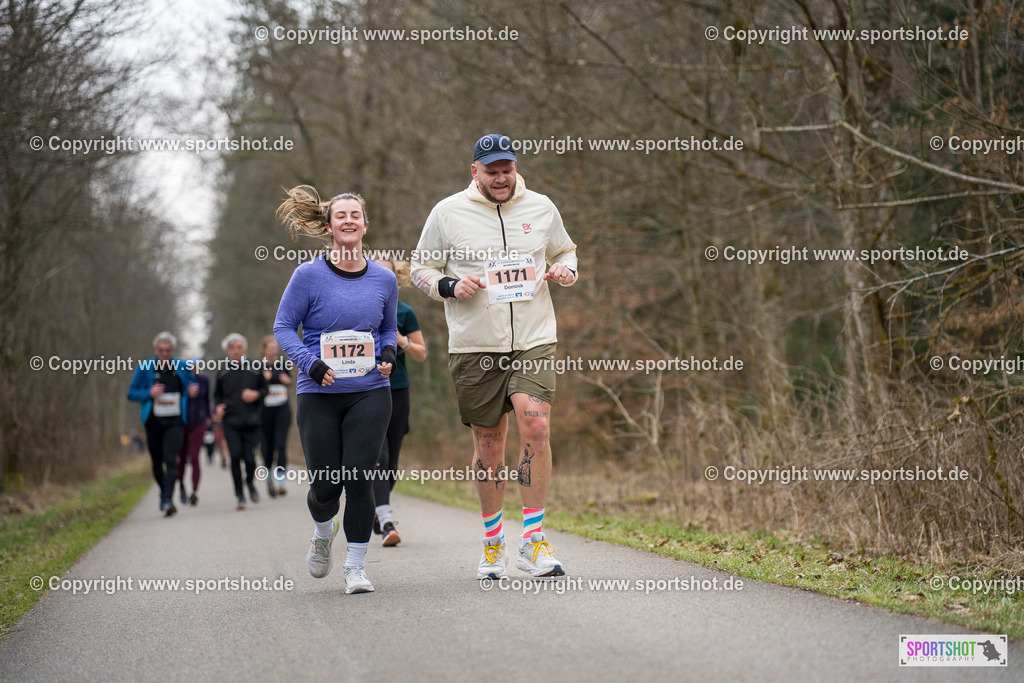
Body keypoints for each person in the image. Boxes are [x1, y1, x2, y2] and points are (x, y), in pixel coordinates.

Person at [411, 134, 578, 579]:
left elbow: (566, 250)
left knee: (536, 425)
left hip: (534, 337)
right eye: (492, 171)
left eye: (507, 169)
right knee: (489, 443)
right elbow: (420, 268)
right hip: (475, 344)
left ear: (515, 167)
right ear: (475, 172)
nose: (501, 178)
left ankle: (533, 540)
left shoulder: (542, 207)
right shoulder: (447, 212)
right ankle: (492, 543)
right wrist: (449, 286)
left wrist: (566, 270)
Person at [274, 187, 397, 594]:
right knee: (326, 485)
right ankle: (323, 531)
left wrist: (389, 355)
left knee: (359, 475)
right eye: (340, 215)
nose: (348, 220)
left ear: (365, 224)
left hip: (370, 390)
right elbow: (282, 329)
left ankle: (356, 567)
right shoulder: (306, 276)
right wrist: (311, 362)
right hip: (318, 393)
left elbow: (387, 329)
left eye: (355, 215)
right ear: (329, 226)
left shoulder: (384, 277)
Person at [372, 260, 427, 547]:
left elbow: (421, 354)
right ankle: (386, 520)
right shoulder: (358, 307)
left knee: (391, 463)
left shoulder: (404, 312)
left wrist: (402, 341)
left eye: (389, 274)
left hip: (398, 390)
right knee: (377, 457)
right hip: (367, 390)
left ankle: (375, 510)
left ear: (397, 278)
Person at [127, 332, 199, 516]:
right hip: (153, 422)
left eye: (168, 350)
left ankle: (167, 500)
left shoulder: (181, 366)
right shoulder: (145, 368)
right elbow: (131, 393)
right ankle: (164, 493)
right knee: (157, 463)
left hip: (175, 422)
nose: (165, 354)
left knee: (171, 459)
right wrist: (149, 393)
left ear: (173, 350)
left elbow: (194, 384)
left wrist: (192, 390)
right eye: (161, 350)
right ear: (155, 350)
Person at [214, 334, 268, 510]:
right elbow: (216, 396)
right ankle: (239, 494)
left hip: (252, 421)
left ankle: (250, 483)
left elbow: (265, 390)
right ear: (228, 351)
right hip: (231, 422)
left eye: (239, 347)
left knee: (250, 460)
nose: (235, 351)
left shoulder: (255, 367)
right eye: (232, 348)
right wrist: (218, 407)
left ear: (244, 349)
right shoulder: (222, 371)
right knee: (235, 456)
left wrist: (255, 395)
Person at [260, 335, 292, 497]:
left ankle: (281, 482)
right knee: (268, 447)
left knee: (281, 445)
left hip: (282, 409)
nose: (273, 350)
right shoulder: (258, 366)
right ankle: (269, 479)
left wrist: (286, 380)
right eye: (270, 347)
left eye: (275, 347)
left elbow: (289, 380)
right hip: (265, 411)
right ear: (264, 349)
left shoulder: (283, 364)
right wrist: (266, 379)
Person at [176, 360, 211, 506]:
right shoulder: (180, 380)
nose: (193, 369)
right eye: (189, 367)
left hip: (199, 422)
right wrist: (187, 394)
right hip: (182, 422)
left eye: (195, 366)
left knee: (194, 455)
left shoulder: (204, 380)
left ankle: (195, 491)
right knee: (182, 458)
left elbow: (207, 400)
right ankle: (182, 487)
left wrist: (208, 416)